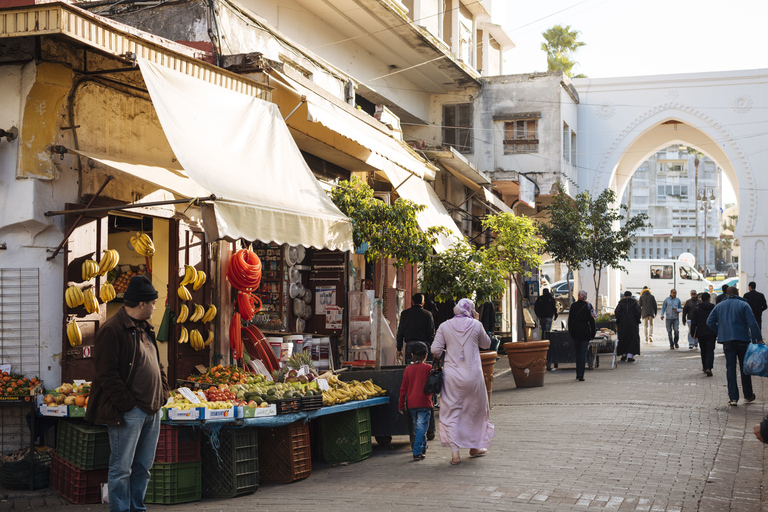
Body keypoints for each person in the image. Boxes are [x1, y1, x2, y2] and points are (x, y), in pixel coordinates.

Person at [85, 275, 169, 512]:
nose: (155, 306)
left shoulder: (144, 327)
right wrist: (128, 404)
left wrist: (163, 393)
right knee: (121, 469)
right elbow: (106, 373)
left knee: (143, 467)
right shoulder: (112, 329)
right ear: (142, 304)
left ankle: (137, 508)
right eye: (153, 302)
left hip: (152, 410)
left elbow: (156, 363)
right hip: (130, 412)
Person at [431, 298, 494, 465]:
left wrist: (448, 354)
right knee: (474, 411)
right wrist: (478, 321)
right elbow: (487, 344)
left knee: (452, 412)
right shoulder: (475, 325)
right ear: (471, 310)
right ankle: (475, 447)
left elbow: (435, 350)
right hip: (474, 376)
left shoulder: (444, 326)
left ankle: (455, 454)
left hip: (452, 377)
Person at [706, 286, 763, 406]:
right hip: (743, 340)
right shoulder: (744, 305)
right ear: (737, 293)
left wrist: (721, 331)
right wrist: (758, 339)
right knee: (745, 368)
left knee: (730, 368)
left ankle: (733, 398)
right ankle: (748, 395)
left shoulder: (719, 306)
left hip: (727, 341)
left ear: (726, 294)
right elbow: (752, 323)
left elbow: (709, 321)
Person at [398, 342, 433, 461]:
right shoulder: (428, 368)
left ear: (412, 355)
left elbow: (403, 389)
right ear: (426, 355)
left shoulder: (408, 369)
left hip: (411, 404)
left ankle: (423, 446)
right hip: (425, 403)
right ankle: (417, 451)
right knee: (421, 427)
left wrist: (401, 405)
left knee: (419, 426)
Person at [397, 293, 435, 364]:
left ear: (412, 301)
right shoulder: (428, 314)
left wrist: (399, 348)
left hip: (410, 345)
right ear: (423, 303)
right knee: (425, 370)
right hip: (424, 345)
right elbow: (431, 333)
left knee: (410, 369)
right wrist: (433, 350)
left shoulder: (405, 314)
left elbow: (400, 332)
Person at [568, 290, 597, 382]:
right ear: (585, 296)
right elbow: (592, 321)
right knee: (583, 353)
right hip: (585, 331)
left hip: (575, 332)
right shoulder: (588, 306)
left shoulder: (573, 306)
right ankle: (581, 375)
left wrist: (570, 332)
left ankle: (578, 373)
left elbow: (570, 320)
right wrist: (593, 334)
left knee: (577, 353)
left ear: (578, 296)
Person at [690, 292, 717, 377]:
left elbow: (693, 322)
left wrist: (692, 332)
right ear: (709, 299)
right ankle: (709, 367)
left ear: (701, 299)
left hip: (701, 332)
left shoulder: (697, 309)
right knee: (710, 350)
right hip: (711, 332)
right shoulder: (713, 308)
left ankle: (705, 367)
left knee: (703, 350)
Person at [615, 291, 641, 362]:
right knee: (632, 339)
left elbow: (617, 313)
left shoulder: (620, 303)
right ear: (631, 296)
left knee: (623, 338)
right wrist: (636, 320)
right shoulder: (635, 303)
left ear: (624, 296)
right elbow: (638, 313)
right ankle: (630, 355)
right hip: (632, 324)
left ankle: (623, 355)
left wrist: (619, 320)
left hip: (622, 324)